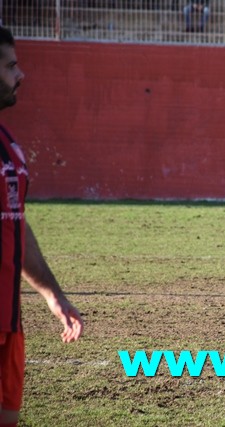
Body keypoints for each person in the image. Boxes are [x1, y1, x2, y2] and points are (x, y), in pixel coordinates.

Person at [0, 27, 84, 426]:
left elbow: (15, 225)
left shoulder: (8, 144)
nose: (21, 74)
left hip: (9, 319)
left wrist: (54, 296)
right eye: (11, 65)